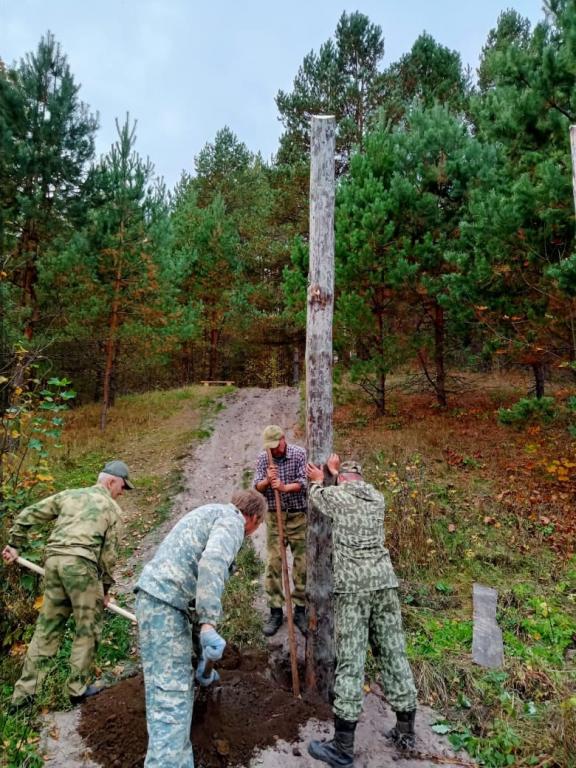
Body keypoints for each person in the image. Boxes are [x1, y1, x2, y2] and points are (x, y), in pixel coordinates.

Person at [134, 489, 266, 768]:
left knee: (176, 690)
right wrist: (208, 624)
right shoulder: (232, 522)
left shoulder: (212, 514)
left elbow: (193, 585)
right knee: (171, 697)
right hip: (165, 606)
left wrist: (201, 655)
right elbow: (212, 563)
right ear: (254, 519)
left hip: (166, 602)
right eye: (257, 526)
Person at [305, 455, 418, 767]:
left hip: (354, 589)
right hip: (384, 583)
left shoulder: (337, 496)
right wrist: (335, 474)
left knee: (351, 662)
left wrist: (318, 480)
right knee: (393, 652)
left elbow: (319, 497)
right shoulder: (377, 497)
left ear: (342, 480)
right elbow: (345, 490)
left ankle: (342, 748)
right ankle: (406, 730)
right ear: (361, 478)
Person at [2, 459, 132, 709]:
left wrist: (14, 544)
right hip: (81, 567)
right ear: (111, 482)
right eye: (122, 487)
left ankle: (24, 696)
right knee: (88, 629)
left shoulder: (69, 495)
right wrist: (104, 590)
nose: (122, 493)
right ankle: (76, 689)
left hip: (53, 564)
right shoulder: (111, 509)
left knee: (47, 629)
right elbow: (109, 556)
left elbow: (27, 514)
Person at [254, 424, 307, 636]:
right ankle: (275, 611)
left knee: (302, 565)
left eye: (276, 445)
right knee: (274, 564)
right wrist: (267, 481)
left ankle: (300, 610)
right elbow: (257, 486)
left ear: (284, 439)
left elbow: (304, 482)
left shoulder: (299, 454)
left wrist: (284, 487)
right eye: (271, 447)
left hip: (297, 515)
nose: (274, 450)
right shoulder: (264, 458)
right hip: (274, 517)